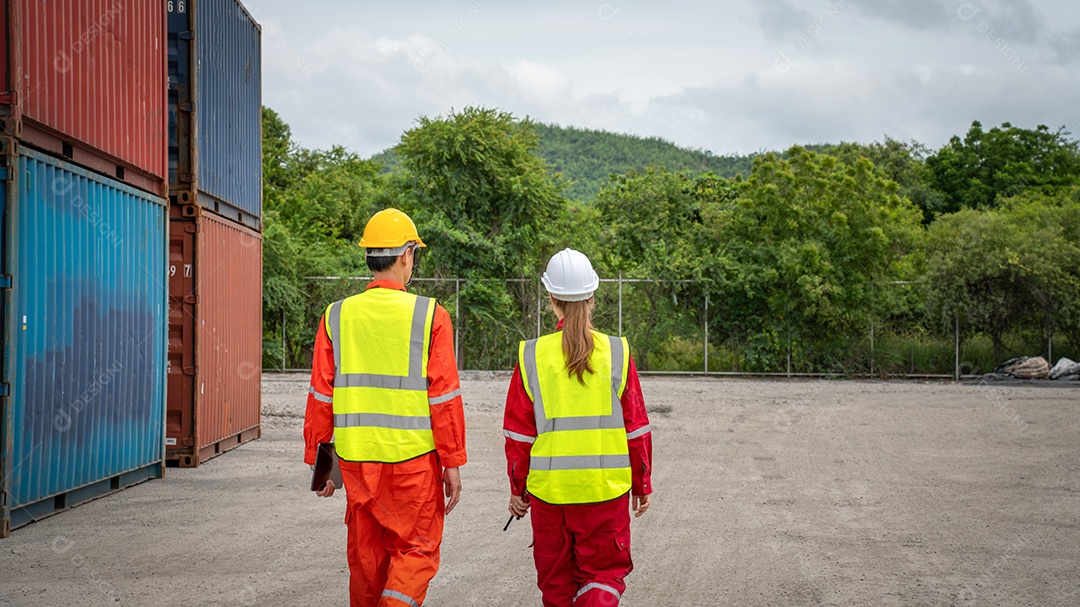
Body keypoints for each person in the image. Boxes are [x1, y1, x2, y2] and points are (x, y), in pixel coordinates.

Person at [303, 208, 467, 607]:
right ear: (407, 255)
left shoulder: (337, 315)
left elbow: (321, 397)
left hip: (358, 465)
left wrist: (322, 466)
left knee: (367, 563)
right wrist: (453, 463)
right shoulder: (431, 316)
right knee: (416, 551)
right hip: (412, 464)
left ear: (369, 258)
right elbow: (443, 398)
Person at [502, 248, 653, 606]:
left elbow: (519, 435)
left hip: (550, 496)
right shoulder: (617, 352)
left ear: (551, 299)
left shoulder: (531, 355)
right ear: (593, 297)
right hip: (605, 493)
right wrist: (641, 482)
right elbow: (636, 427)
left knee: (557, 588)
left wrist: (518, 489)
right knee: (602, 577)